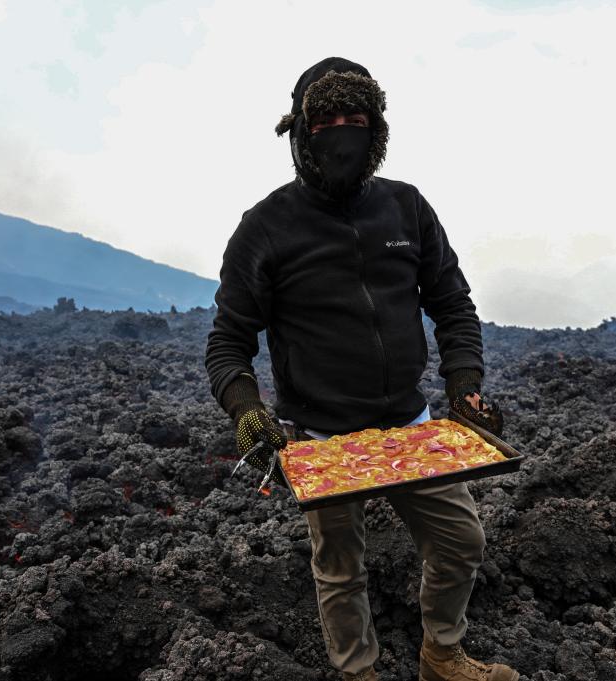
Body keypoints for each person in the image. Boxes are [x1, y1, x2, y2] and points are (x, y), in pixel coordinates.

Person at [205, 57, 518, 681]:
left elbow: (453, 306)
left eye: (357, 118)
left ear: (378, 129)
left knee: (462, 541)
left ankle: (442, 656)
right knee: (340, 566)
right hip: (320, 434)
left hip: (410, 422)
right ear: (298, 130)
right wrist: (249, 412)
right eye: (325, 120)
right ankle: (359, 674)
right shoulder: (265, 228)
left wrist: (466, 387)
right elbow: (228, 342)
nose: (342, 131)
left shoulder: (407, 208)